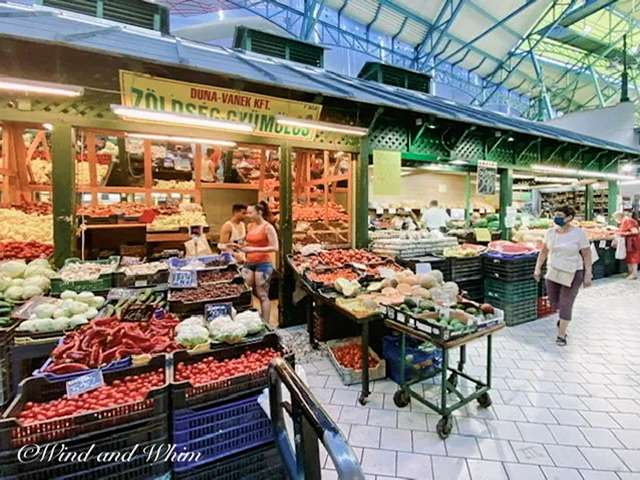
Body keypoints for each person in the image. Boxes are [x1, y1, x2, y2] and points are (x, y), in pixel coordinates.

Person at [534, 205, 592, 346]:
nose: (557, 218)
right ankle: (562, 318)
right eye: (556, 214)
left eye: (560, 215)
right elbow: (544, 251)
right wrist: (537, 268)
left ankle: (561, 334)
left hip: (573, 271)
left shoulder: (578, 233)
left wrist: (588, 273)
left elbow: (586, 253)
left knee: (566, 303)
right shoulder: (550, 232)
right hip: (553, 271)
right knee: (554, 301)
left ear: (569, 217)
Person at [238, 201, 279, 323]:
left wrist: (253, 249)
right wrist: (241, 245)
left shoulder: (268, 227)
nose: (248, 215)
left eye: (250, 212)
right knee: (245, 290)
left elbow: (275, 247)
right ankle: (250, 319)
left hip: (263, 264)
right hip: (249, 262)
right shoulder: (250, 226)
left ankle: (266, 323)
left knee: (262, 294)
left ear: (259, 212)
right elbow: (250, 241)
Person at [617, 208, 640, 280]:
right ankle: (631, 273)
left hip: (632, 241)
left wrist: (623, 233)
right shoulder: (627, 220)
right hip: (630, 241)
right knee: (629, 257)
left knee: (633, 257)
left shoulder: (627, 220)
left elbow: (635, 231)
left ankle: (634, 274)